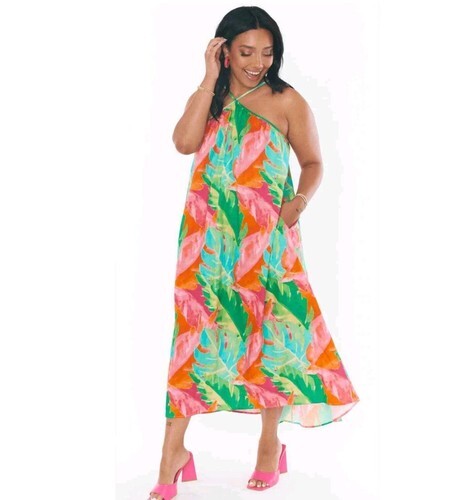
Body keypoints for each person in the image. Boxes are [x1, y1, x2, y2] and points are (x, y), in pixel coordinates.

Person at [148, 6, 360, 500]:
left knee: (272, 334)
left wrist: (297, 203)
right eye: (245, 52)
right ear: (223, 51)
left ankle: (269, 445)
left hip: (267, 241)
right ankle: (171, 454)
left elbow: (313, 162)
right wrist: (208, 79)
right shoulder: (210, 98)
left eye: (267, 53)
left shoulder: (287, 101)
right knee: (193, 339)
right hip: (206, 240)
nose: (257, 62)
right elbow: (183, 142)